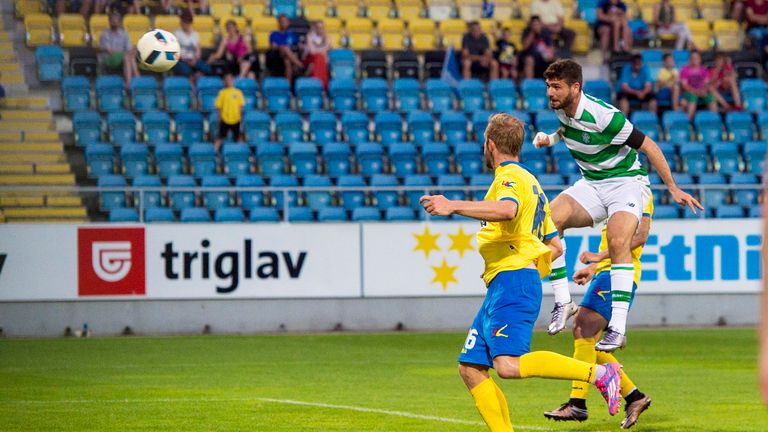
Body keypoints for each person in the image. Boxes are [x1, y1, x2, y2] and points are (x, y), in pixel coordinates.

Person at [419, 112, 623, 432]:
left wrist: (453, 205)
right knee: (471, 367)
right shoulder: (534, 186)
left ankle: (599, 374)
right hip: (507, 282)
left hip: (512, 282)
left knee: (508, 366)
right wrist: (527, 263)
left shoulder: (509, 178)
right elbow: (555, 245)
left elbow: (507, 209)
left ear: (490, 144)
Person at [533, 59, 702, 352]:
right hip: (592, 183)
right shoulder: (562, 108)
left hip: (626, 182)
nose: (550, 92)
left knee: (618, 239)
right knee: (549, 220)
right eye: (548, 86)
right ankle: (563, 301)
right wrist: (550, 138)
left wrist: (672, 187)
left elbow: (649, 146)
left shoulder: (605, 116)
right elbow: (568, 130)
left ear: (576, 87)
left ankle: (618, 329)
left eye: (556, 87)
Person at [544, 196, 654, 429]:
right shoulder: (614, 190)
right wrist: (594, 267)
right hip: (605, 273)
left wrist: (599, 256)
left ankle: (577, 403)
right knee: (588, 340)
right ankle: (634, 397)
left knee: (582, 328)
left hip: (619, 275)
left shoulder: (639, 193)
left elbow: (638, 237)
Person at [99, 12, 140, 86]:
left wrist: (134, 49)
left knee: (130, 57)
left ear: (120, 22)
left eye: (116, 20)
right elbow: (110, 51)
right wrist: (126, 53)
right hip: (109, 58)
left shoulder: (124, 33)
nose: (114, 22)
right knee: (128, 56)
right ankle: (137, 80)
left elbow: (129, 49)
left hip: (123, 57)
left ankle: (129, 83)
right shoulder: (105, 34)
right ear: (109, 21)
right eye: (112, 20)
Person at [173, 10, 211, 85]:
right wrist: (185, 59)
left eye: (185, 22)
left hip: (193, 60)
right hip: (181, 60)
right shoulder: (177, 33)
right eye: (182, 22)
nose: (183, 24)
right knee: (186, 70)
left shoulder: (195, 34)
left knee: (207, 68)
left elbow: (198, 50)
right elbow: (175, 51)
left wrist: (194, 59)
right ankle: (192, 85)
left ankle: (197, 79)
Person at [679, 51, 718, 119]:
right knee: (693, 98)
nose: (694, 60)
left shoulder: (703, 70)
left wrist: (703, 90)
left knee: (711, 98)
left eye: (696, 58)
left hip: (701, 91)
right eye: (692, 58)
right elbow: (684, 85)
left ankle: (714, 119)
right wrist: (695, 91)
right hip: (689, 92)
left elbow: (706, 83)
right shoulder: (685, 70)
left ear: (700, 60)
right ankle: (689, 121)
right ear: (689, 60)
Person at [266, 14, 304, 82]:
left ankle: (288, 86)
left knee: (287, 60)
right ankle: (300, 65)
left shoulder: (292, 34)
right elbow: (274, 47)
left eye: (285, 21)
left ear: (288, 23)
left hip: (290, 56)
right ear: (279, 23)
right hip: (277, 57)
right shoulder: (274, 34)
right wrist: (283, 47)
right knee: (285, 48)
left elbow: (300, 46)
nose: (284, 23)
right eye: (282, 21)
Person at [213, 73, 245, 152]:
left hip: (236, 119)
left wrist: (240, 117)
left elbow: (241, 107)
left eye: (230, 79)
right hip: (225, 119)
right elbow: (219, 107)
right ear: (224, 81)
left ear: (233, 80)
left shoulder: (238, 92)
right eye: (227, 80)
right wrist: (220, 118)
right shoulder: (222, 93)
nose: (229, 81)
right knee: (220, 137)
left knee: (238, 137)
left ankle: (241, 152)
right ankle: (214, 152)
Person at [304, 20, 332, 89]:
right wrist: (323, 49)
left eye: (321, 28)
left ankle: (321, 84)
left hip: (321, 59)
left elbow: (329, 47)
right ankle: (318, 84)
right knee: (319, 58)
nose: (320, 30)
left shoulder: (326, 37)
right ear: (315, 28)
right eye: (318, 27)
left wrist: (321, 50)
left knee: (321, 58)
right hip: (309, 58)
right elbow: (312, 51)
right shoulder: (309, 36)